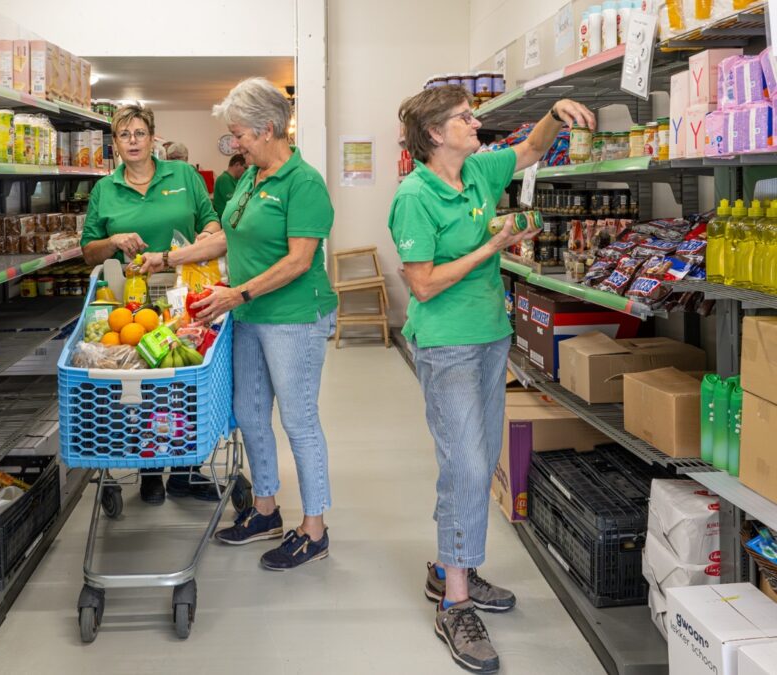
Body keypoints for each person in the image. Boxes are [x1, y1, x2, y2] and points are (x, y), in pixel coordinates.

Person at [388, 86, 595, 673]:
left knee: (476, 459)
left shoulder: (479, 170)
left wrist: (557, 114)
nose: (473, 122)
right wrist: (494, 247)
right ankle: (454, 605)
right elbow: (422, 285)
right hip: (445, 344)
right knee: (468, 464)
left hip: (489, 335)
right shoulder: (414, 196)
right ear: (434, 134)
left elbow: (531, 147)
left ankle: (454, 568)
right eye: (463, 117)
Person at [140, 77, 337, 571]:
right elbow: (226, 239)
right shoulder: (250, 178)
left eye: (240, 135)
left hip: (293, 318)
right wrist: (166, 257)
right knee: (248, 413)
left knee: (299, 420)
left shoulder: (303, 182)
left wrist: (237, 293)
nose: (235, 144)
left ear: (268, 128)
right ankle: (266, 511)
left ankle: (315, 530)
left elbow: (298, 261)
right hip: (246, 315)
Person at [80, 103, 222, 505]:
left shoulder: (183, 175)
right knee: (141, 383)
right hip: (132, 303)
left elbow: (210, 221)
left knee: (183, 379)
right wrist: (113, 241)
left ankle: (185, 469)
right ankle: (149, 470)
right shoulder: (105, 190)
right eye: (124, 135)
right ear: (115, 144)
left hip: (185, 295)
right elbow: (89, 252)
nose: (133, 142)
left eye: (140, 133)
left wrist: (203, 239)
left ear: (152, 138)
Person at [212, 153, 247, 221]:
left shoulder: (236, 180)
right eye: (245, 168)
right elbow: (236, 203)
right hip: (225, 221)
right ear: (237, 165)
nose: (246, 171)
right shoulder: (224, 179)